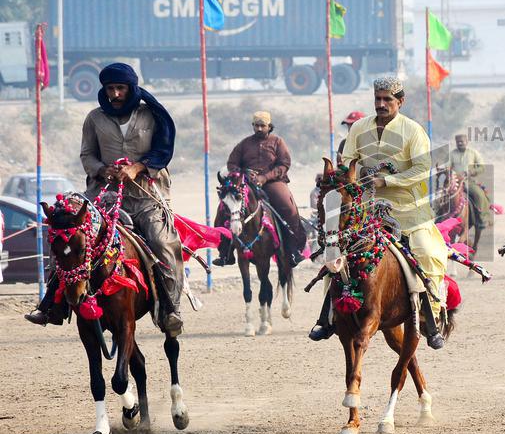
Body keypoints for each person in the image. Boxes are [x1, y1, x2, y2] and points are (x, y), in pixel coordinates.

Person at [25, 63, 184, 335]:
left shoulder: (150, 116)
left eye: (120, 88)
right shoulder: (94, 118)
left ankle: (170, 308)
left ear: (131, 88)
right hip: (104, 196)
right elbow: (87, 155)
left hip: (145, 196)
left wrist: (138, 167)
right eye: (110, 89)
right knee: (69, 237)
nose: (115, 94)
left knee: (162, 241)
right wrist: (102, 169)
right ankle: (52, 304)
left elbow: (162, 151)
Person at [310, 76, 449, 349]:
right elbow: (347, 162)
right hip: (365, 208)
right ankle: (327, 317)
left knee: (427, 251)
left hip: (408, 208)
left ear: (401, 101)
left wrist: (387, 181)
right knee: (334, 253)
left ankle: (431, 314)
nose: (382, 104)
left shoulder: (413, 131)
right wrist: (345, 177)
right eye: (378, 99)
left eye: (388, 100)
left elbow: (422, 168)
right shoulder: (359, 129)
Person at [213, 111, 307, 267]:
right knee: (224, 207)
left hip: (272, 182)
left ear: (269, 127)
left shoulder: (277, 142)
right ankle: (225, 253)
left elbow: (284, 164)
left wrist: (265, 177)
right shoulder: (244, 144)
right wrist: (243, 173)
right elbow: (232, 163)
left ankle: (293, 250)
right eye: (256, 125)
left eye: (262, 126)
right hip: (246, 183)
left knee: (288, 207)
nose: (259, 128)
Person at [448, 133, 493, 230]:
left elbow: (482, 167)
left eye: (462, 141)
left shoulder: (473, 153)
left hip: (468, 181)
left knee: (479, 195)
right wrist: (451, 174)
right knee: (442, 196)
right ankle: (439, 218)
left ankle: (482, 219)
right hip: (454, 182)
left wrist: (472, 171)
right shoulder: (452, 154)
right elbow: (447, 167)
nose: (460, 143)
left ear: (466, 142)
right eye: (458, 142)